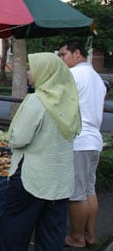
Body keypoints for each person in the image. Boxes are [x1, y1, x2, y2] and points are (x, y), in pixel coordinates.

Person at [0, 52, 81, 251]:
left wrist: (8, 138)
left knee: (16, 231)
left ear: (45, 72)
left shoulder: (37, 101)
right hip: (60, 181)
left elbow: (19, 139)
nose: (28, 72)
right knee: (51, 234)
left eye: (31, 68)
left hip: (32, 179)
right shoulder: (68, 101)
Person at [58, 39, 107, 248]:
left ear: (76, 53)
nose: (61, 59)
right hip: (94, 140)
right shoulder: (96, 77)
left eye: (63, 55)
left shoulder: (75, 74)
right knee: (89, 190)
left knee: (76, 194)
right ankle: (89, 234)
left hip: (79, 140)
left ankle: (76, 237)